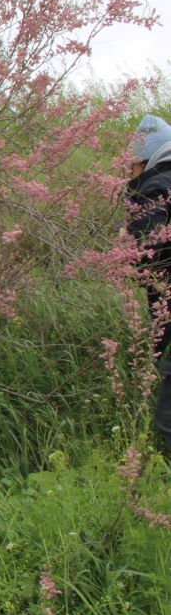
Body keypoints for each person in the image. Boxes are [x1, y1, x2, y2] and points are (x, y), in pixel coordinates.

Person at [128, 114, 171, 449]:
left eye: (133, 167)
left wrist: (131, 243)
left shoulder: (157, 186)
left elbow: (150, 247)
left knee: (167, 421)